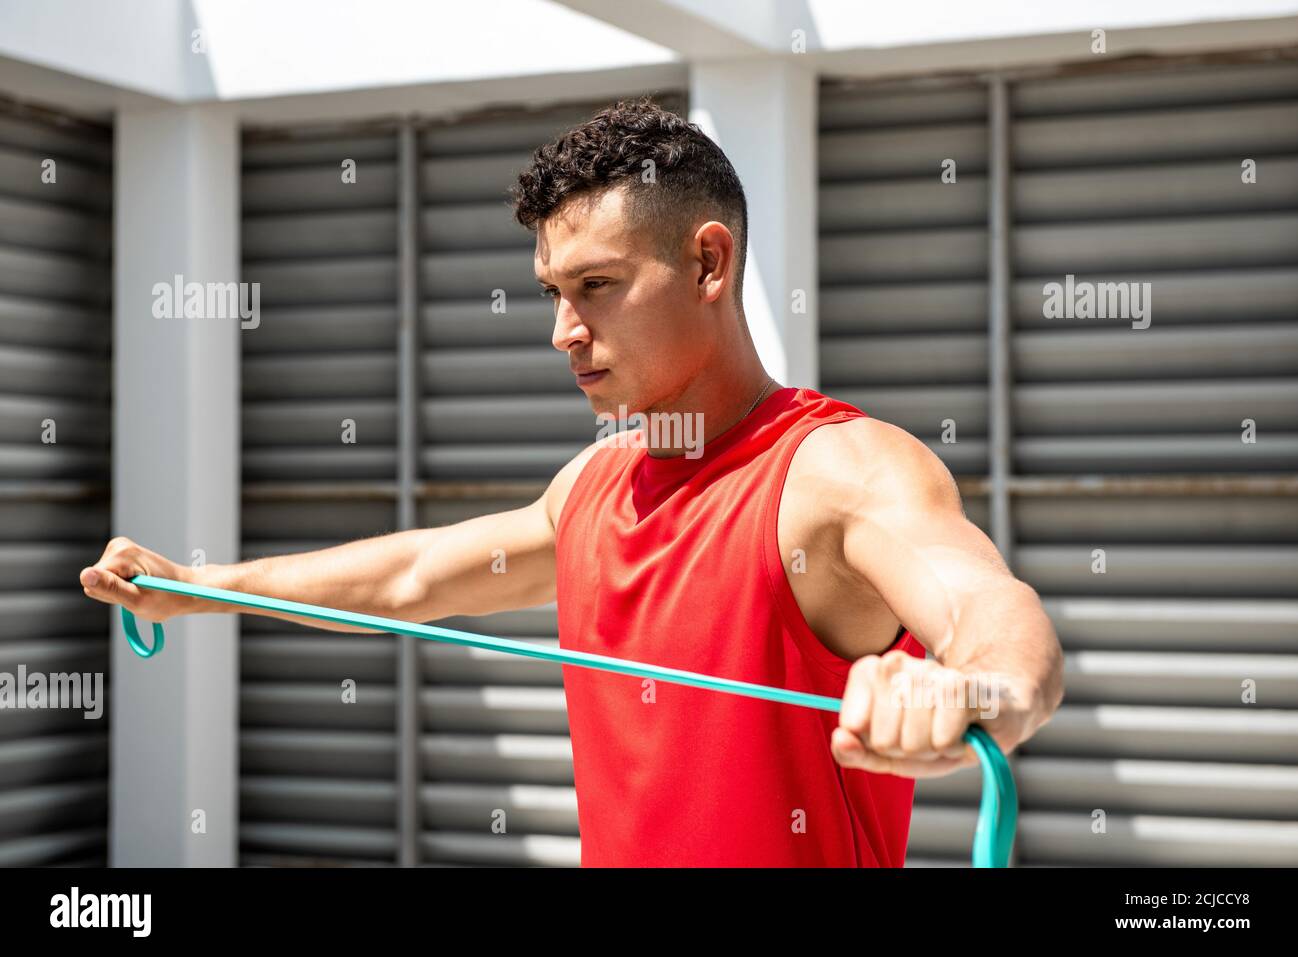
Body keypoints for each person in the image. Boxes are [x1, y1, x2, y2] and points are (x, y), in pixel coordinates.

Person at [81, 97, 1063, 867]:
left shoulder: (834, 470)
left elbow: (995, 614)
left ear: (707, 263)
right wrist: (197, 588)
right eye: (554, 294)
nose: (563, 332)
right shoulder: (593, 488)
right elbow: (415, 576)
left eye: (596, 287)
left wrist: (964, 690)